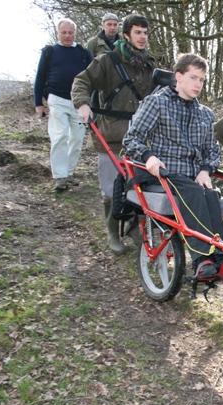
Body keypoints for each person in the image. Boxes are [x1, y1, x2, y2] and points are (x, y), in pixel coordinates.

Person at [122, 53, 223, 281]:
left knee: (210, 194)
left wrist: (206, 169)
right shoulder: (158, 103)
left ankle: (220, 257)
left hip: (194, 176)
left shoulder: (205, 114)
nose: (198, 84)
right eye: (193, 78)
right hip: (165, 173)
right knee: (194, 192)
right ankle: (201, 260)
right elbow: (132, 139)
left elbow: (212, 151)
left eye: (201, 80)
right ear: (178, 77)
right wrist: (148, 157)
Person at [72, 14, 157, 255]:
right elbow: (82, 81)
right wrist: (83, 104)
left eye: (145, 32)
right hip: (110, 134)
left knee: (139, 187)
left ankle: (135, 230)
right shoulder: (106, 61)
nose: (142, 37)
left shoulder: (150, 65)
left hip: (139, 139)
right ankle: (112, 233)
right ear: (126, 34)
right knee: (111, 190)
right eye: (138, 32)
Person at [34, 18, 93, 191]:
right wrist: (38, 103)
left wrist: (91, 102)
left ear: (75, 33)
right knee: (60, 136)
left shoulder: (84, 53)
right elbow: (40, 77)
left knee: (77, 138)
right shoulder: (49, 52)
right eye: (64, 32)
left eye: (70, 32)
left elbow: (92, 79)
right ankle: (60, 177)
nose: (67, 36)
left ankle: (69, 172)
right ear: (57, 33)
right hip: (56, 100)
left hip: (79, 102)